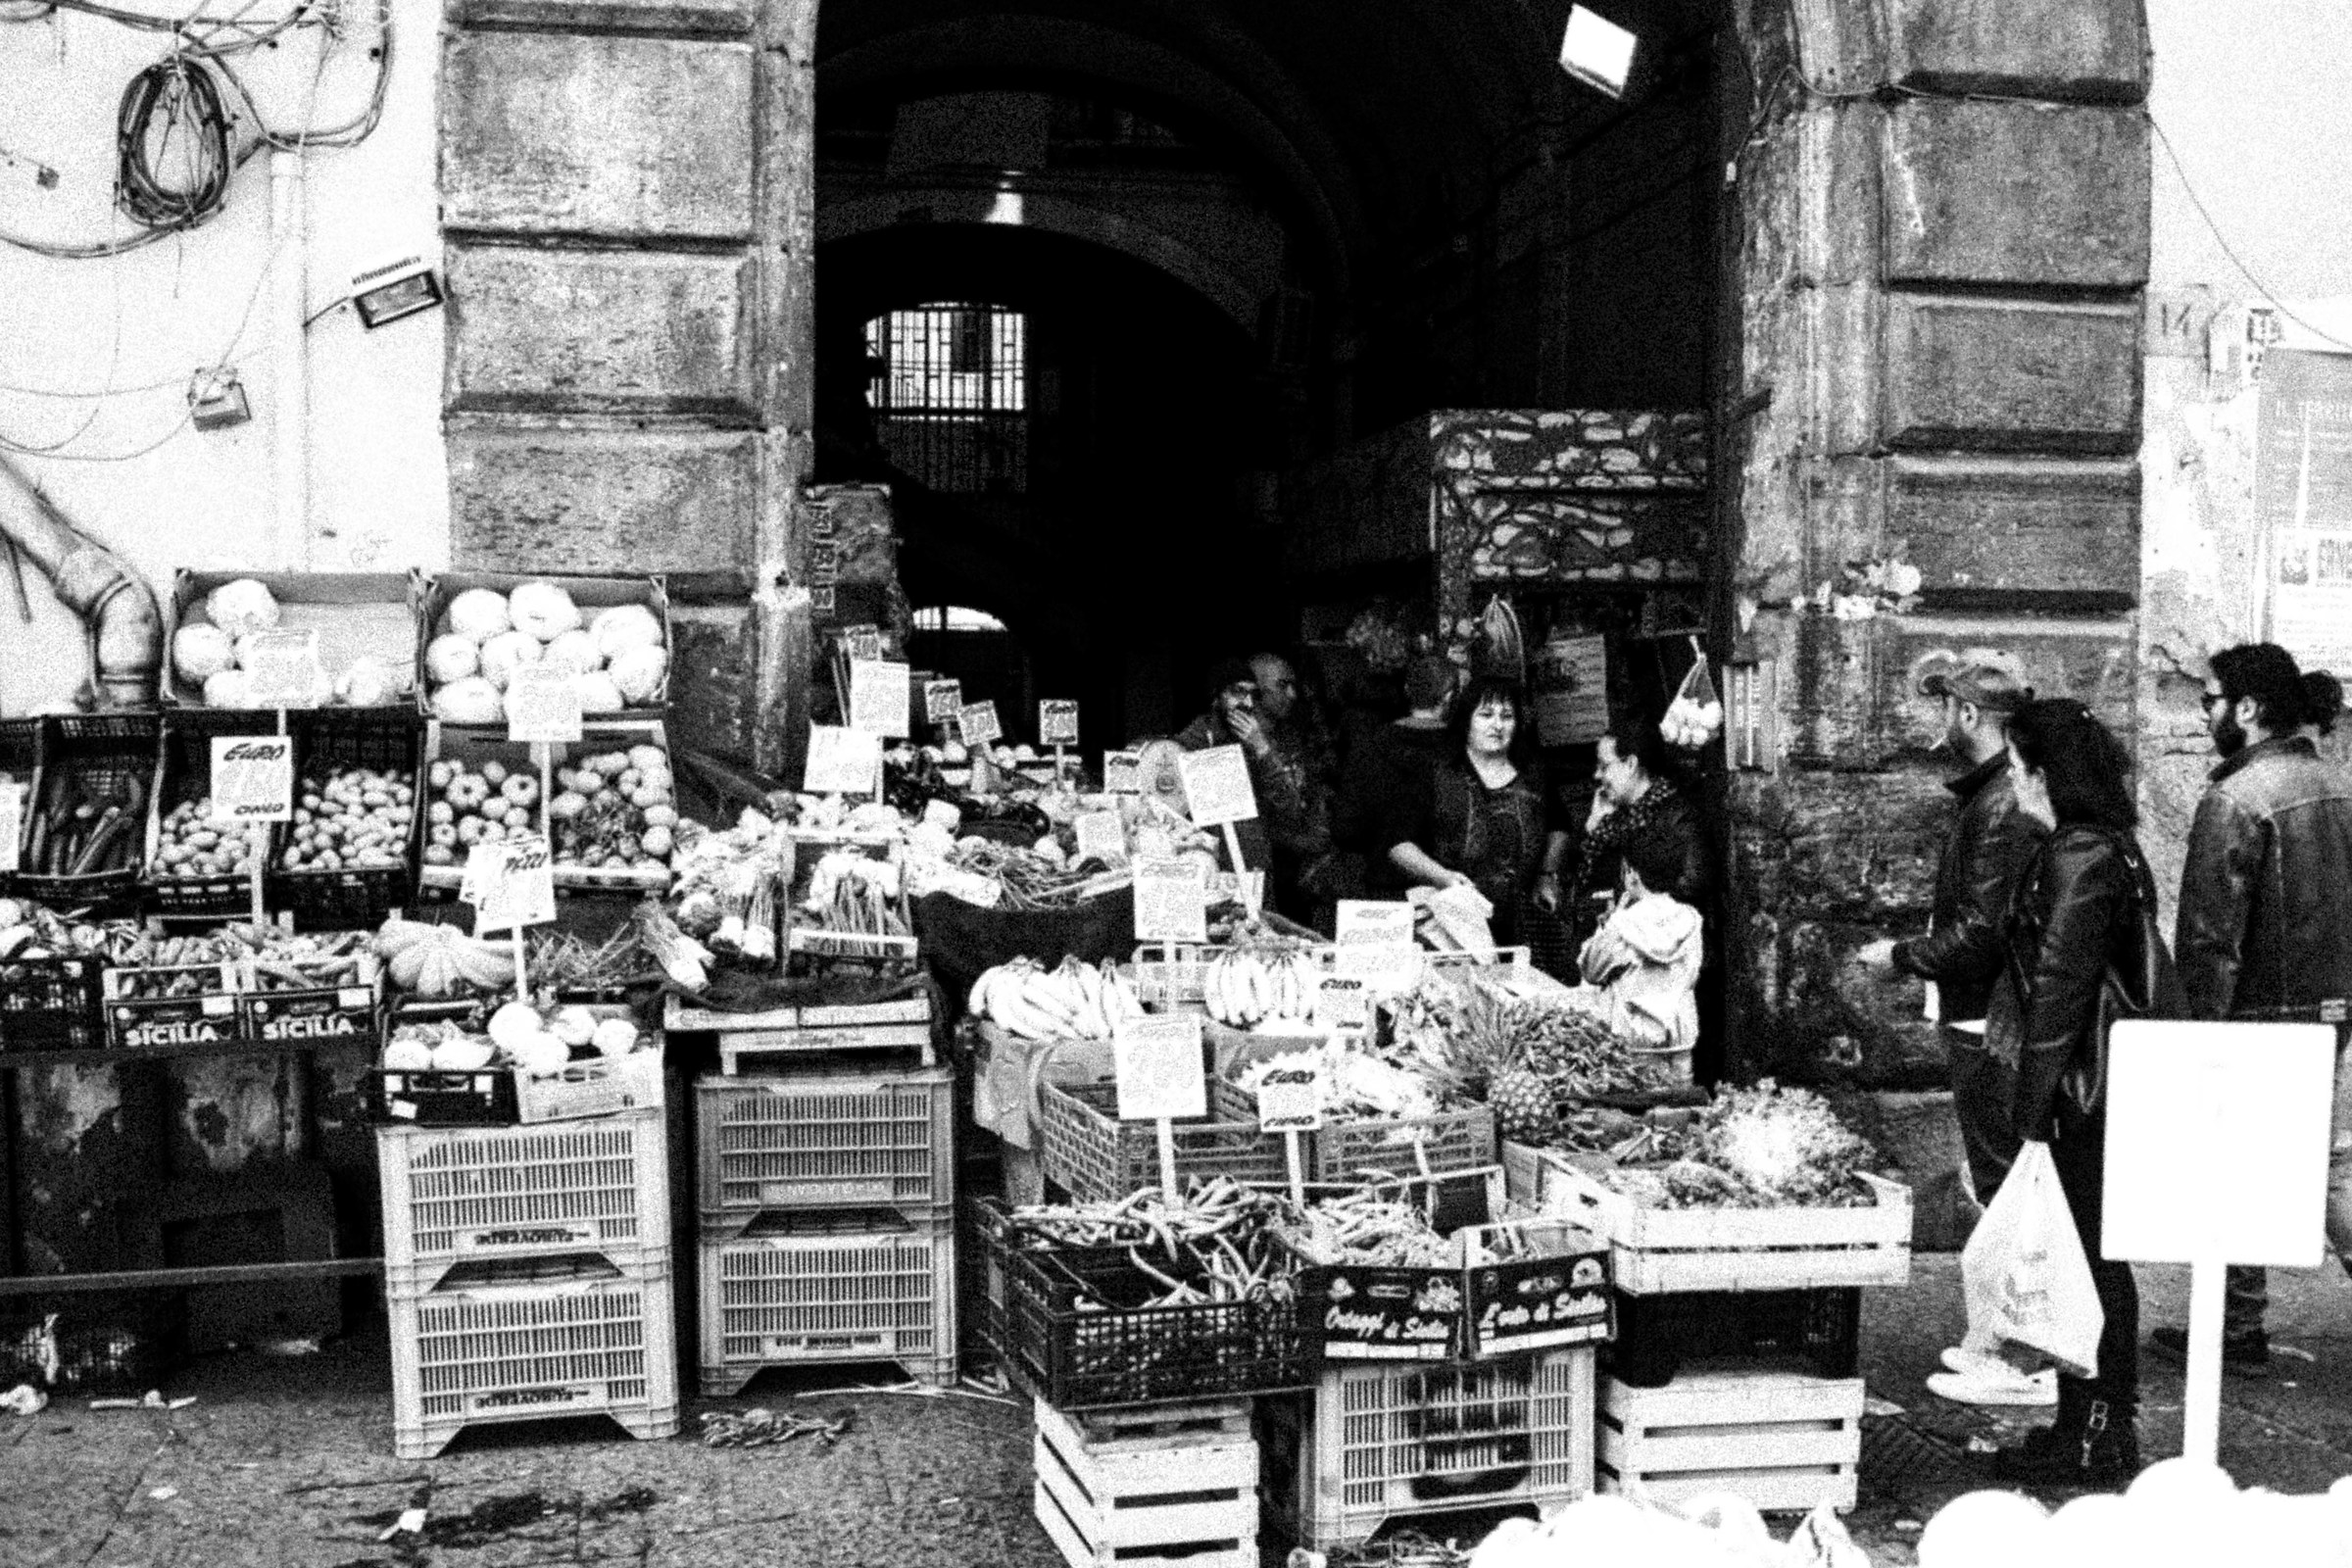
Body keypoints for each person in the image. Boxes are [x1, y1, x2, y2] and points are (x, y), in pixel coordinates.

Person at [1856, 657, 2051, 1406]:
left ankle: (2022, 1355)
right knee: (1998, 1178)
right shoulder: (1994, 796)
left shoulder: (2001, 803)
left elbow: (1982, 931)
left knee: (2006, 1183)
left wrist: (1899, 956)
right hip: (1977, 1011)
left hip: (1986, 1017)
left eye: (1945, 708)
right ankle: (2000, 1338)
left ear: (1969, 714)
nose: (1938, 723)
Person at [2152, 644, 2352, 1377]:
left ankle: (2237, 1327)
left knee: (2237, 1164)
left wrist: (2192, 1035)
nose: (2204, 713)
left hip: (2257, 1014)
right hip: (2329, 1007)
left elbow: (2209, 940)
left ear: (2246, 708)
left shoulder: (2238, 797)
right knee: (2321, 1165)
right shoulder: (2337, 785)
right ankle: (2235, 1325)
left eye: (2210, 699)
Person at [1985, 698, 2170, 1487]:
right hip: (2096, 1084)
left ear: (2045, 772)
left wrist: (2030, 1121)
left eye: (2019, 766)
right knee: (2089, 1256)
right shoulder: (2102, 847)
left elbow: (2059, 989)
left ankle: (2100, 1430)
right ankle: (2083, 1424)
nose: (2014, 782)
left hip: (2083, 1093)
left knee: (2090, 1259)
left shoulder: (2079, 856)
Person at [1382, 676, 1569, 947]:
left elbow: (1559, 826)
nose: (1497, 725)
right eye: (1486, 715)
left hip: (1521, 920)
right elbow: (1398, 843)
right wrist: (1442, 877)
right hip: (1450, 920)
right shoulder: (1437, 772)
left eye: (1507, 716)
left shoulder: (1534, 775)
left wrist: (1546, 875)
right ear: (1466, 720)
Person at [1173, 658, 1308, 884]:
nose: (1246, 703)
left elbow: (1290, 809)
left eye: (1252, 695)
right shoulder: (1190, 743)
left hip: (1254, 871)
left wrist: (1263, 750)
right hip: (1211, 873)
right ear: (1217, 696)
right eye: (1237, 693)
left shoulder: (1255, 743)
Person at [1578, 830, 1704, 1070]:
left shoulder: (1622, 924)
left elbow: (1592, 970)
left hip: (1632, 1040)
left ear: (1633, 875)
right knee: (1678, 1099)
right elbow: (1692, 973)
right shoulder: (1691, 919)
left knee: (1634, 1101)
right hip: (1679, 1036)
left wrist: (1612, 920)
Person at [1335, 654, 1457, 896]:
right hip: (1449, 887)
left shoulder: (1370, 747)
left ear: (1407, 690)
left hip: (1381, 886)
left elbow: (1346, 829)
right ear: (1450, 697)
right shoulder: (1457, 751)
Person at [1574, 713, 1710, 911]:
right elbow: (1587, 884)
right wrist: (1592, 826)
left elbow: (1697, 884)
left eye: (1604, 766)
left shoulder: (1678, 817)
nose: (1597, 775)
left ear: (1630, 764)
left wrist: (1644, 899)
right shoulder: (1614, 821)